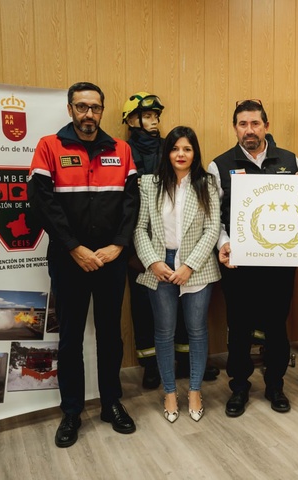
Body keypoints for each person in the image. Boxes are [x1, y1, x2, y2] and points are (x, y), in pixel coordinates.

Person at [28, 82, 139, 448]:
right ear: (70, 109)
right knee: (70, 338)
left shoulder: (121, 150)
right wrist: (74, 248)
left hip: (110, 260)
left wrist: (117, 246)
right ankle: (71, 412)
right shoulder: (49, 147)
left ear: (102, 110)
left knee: (110, 336)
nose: (88, 114)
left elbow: (131, 204)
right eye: (81, 107)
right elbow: (42, 203)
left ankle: (111, 404)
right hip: (68, 259)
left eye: (95, 107)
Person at [208, 99, 298, 417]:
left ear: (266, 125)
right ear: (235, 127)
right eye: (242, 124)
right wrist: (224, 245)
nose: (249, 130)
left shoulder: (291, 161)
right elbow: (214, 217)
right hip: (238, 263)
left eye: (255, 123)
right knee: (238, 326)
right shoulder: (219, 165)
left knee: (277, 326)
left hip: (280, 262)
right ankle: (239, 387)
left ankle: (275, 384)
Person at [134, 126, 221, 423]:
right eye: (175, 148)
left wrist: (189, 265)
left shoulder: (206, 183)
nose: (180, 154)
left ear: (194, 152)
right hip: (160, 263)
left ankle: (195, 390)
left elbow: (212, 228)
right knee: (164, 332)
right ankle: (170, 391)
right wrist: (154, 261)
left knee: (197, 331)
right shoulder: (149, 184)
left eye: (187, 149)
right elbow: (139, 229)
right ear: (167, 152)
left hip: (195, 266)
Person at [122, 91, 165, 389]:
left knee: (177, 301)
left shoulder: (170, 147)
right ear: (132, 119)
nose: (154, 121)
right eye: (148, 116)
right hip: (137, 242)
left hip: (170, 238)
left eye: (156, 116)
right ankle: (150, 366)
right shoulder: (120, 152)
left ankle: (183, 360)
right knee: (143, 307)